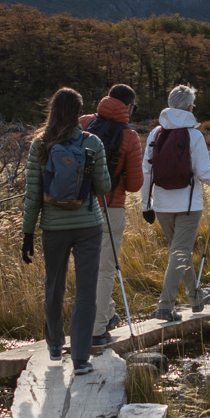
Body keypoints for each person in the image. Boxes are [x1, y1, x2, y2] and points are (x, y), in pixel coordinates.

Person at [20, 86, 113, 372]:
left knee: (54, 285)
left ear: (53, 110)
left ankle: (54, 345)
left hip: (53, 228)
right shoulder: (92, 142)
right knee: (85, 292)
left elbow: (32, 193)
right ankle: (81, 359)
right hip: (88, 225)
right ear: (78, 112)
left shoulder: (40, 145)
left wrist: (27, 233)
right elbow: (103, 188)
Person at [141, 83, 210, 319]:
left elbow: (147, 171)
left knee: (180, 253)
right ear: (189, 106)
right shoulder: (194, 135)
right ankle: (165, 306)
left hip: (162, 205)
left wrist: (146, 205)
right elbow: (203, 173)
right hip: (189, 206)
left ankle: (195, 297)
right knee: (179, 254)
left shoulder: (156, 133)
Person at [78, 83, 145, 344]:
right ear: (128, 106)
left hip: (77, 207)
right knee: (104, 269)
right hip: (110, 207)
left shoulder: (83, 122)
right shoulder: (128, 136)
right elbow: (135, 185)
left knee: (86, 268)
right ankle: (96, 330)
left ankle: (107, 313)